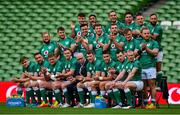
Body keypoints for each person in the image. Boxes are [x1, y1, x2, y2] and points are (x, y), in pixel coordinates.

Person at [139, 27, 159, 109]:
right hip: (141, 67)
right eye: (145, 33)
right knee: (143, 86)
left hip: (150, 67)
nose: (147, 35)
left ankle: (153, 102)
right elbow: (135, 54)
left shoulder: (154, 42)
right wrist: (139, 51)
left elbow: (155, 53)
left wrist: (146, 48)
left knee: (152, 85)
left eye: (148, 33)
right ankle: (146, 102)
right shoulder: (139, 43)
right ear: (142, 34)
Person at [147, 13, 163, 87]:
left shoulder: (158, 27)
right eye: (152, 18)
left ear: (157, 19)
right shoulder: (148, 26)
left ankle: (158, 85)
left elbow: (154, 37)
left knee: (158, 68)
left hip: (158, 50)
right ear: (150, 19)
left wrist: (145, 34)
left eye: (154, 18)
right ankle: (149, 84)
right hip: (150, 49)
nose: (153, 20)